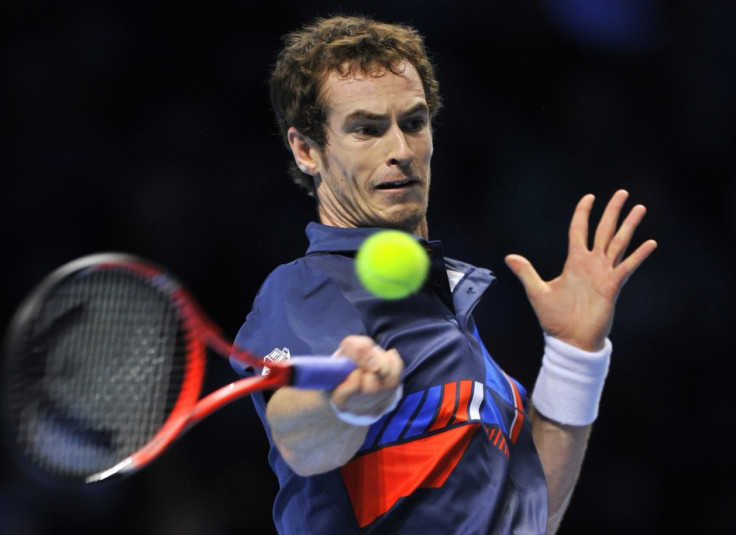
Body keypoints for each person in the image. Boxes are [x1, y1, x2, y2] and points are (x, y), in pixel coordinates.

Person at [230, 15, 657, 534]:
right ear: (307, 150)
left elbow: (530, 518)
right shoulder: (311, 285)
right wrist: (343, 402)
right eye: (366, 129)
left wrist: (574, 356)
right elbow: (297, 434)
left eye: (413, 123)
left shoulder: (460, 332)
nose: (401, 151)